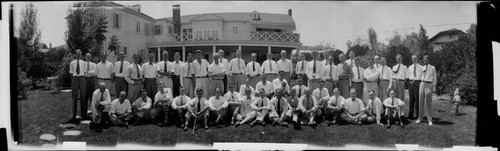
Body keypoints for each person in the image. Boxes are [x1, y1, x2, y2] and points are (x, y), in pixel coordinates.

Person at [65, 49, 87, 124]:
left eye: (80, 54)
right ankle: (74, 115)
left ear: (81, 55)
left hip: (82, 78)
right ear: (75, 55)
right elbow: (71, 73)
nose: (78, 55)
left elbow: (85, 72)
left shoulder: (84, 63)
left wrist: (82, 78)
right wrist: (74, 79)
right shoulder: (72, 63)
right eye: (77, 54)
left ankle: (83, 114)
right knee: (74, 96)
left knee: (83, 96)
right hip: (75, 79)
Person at [416, 55, 437, 126]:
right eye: (423, 60)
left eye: (425, 60)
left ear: (428, 60)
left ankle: (429, 119)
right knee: (420, 102)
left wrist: (433, 86)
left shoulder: (432, 68)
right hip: (422, 84)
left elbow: (434, 77)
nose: (424, 61)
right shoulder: (422, 67)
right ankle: (420, 118)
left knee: (428, 103)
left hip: (429, 84)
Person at [407, 55, 423, 119]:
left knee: (417, 99)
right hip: (411, 83)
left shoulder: (421, 67)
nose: (414, 60)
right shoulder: (410, 67)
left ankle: (417, 115)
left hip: (417, 83)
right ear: (411, 59)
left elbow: (422, 76)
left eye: (415, 58)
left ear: (417, 59)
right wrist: (409, 83)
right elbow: (408, 76)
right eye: (413, 58)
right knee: (411, 99)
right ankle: (410, 115)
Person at [84, 53, 97, 119]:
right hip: (85, 80)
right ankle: (84, 113)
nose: (88, 58)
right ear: (85, 57)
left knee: (92, 97)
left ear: (91, 57)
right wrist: (90, 72)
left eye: (89, 56)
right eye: (87, 56)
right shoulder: (83, 64)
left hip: (92, 81)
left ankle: (93, 112)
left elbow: (94, 72)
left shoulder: (94, 64)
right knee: (85, 97)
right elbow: (83, 72)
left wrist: (87, 72)